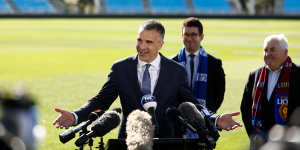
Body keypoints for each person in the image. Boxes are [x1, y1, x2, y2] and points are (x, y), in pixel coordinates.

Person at [53, 19, 241, 139]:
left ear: (161, 44)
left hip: (168, 140)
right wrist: (76, 115)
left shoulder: (176, 71)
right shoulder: (121, 68)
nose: (142, 46)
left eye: (149, 42)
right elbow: (101, 100)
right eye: (139, 40)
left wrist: (215, 119)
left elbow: (192, 105)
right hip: (129, 140)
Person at [240, 34, 300, 149]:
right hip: (258, 142)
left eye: (272, 50)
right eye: (265, 50)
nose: (268, 54)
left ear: (285, 52)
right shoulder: (255, 75)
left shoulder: (298, 73)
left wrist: (289, 138)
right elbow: (245, 107)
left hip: (288, 143)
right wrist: (253, 134)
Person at [173, 17, 225, 113]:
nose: (189, 38)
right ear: (182, 36)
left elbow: (219, 94)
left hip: (206, 119)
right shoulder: (172, 62)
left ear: (201, 37)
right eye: (186, 35)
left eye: (193, 35)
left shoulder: (214, 64)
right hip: (179, 119)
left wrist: (208, 114)